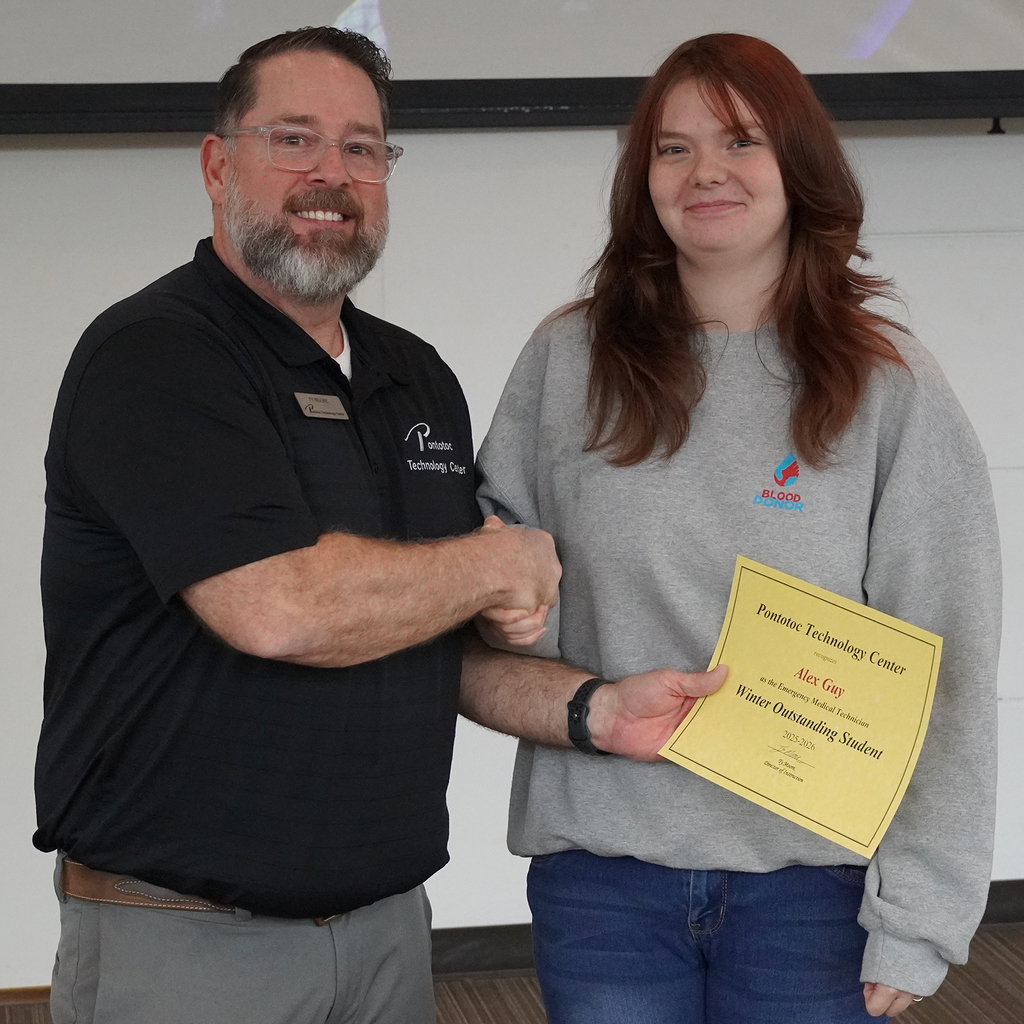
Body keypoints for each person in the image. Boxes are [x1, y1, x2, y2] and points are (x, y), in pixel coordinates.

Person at [34, 26, 571, 1024]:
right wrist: (502, 564)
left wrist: (595, 710)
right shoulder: (155, 357)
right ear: (217, 164)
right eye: (294, 139)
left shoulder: (415, 375)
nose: (332, 174)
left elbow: (433, 641)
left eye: (361, 147)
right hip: (188, 942)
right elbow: (279, 607)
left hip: (388, 932)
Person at [463, 32, 1001, 1024]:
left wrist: (924, 909)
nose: (704, 170)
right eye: (673, 148)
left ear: (798, 166)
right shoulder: (566, 360)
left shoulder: (888, 383)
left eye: (740, 140)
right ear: (644, 180)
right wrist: (500, 596)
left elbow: (950, 661)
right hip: (604, 879)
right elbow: (490, 586)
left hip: (815, 890)